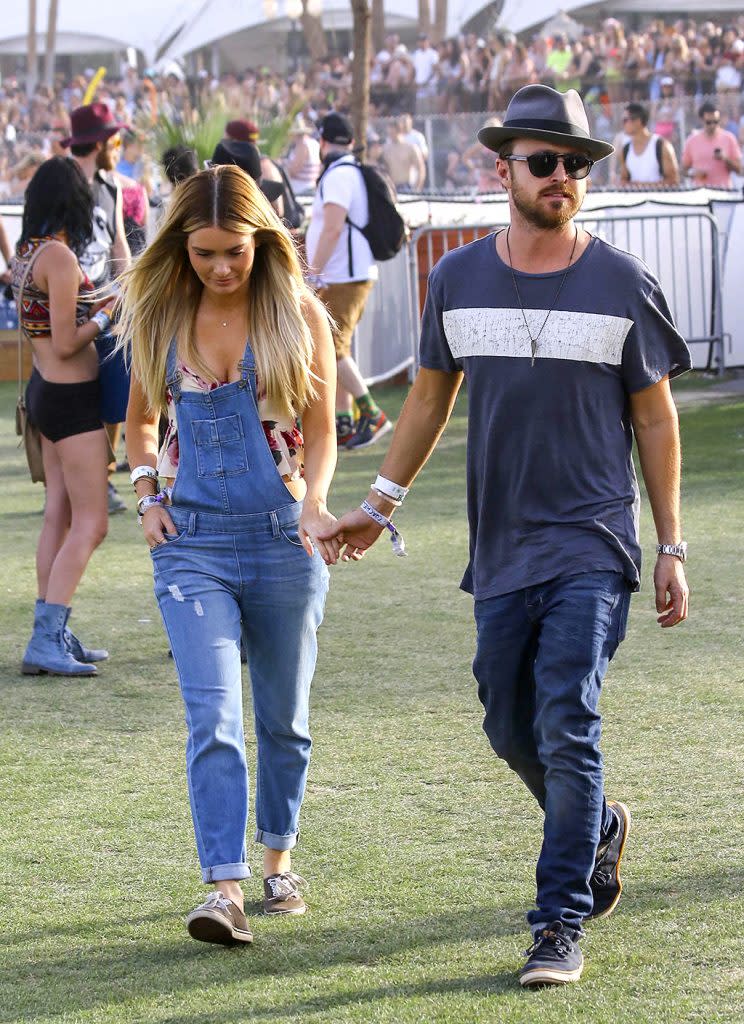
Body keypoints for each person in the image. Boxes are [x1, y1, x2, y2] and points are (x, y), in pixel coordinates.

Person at [320, 85, 691, 987]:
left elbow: (655, 417)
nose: (564, 176)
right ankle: (597, 823)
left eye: (576, 164)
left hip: (594, 540)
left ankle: (557, 923)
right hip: (502, 547)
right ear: (504, 172)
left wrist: (672, 544)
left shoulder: (622, 280)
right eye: (545, 162)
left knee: (567, 714)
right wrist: (378, 505)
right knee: (507, 719)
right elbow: (427, 402)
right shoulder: (456, 278)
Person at [118, 164, 339, 945]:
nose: (218, 267)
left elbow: (321, 432)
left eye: (234, 252)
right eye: (204, 252)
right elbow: (140, 423)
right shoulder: (158, 314)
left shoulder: (297, 314)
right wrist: (147, 495)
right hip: (192, 546)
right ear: (180, 245)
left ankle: (278, 860)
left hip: (285, 540)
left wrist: (314, 504)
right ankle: (224, 889)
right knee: (212, 717)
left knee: (284, 721)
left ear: (261, 241)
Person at [11, 157, 112, 676]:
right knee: (92, 523)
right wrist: (107, 313)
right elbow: (69, 341)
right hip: (71, 401)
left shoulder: (26, 254)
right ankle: (46, 638)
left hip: (44, 393)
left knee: (60, 514)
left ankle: (48, 632)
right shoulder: (57, 255)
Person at [305, 112, 391, 450]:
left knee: (332, 345)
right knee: (337, 345)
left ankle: (372, 414)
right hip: (345, 273)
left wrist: (314, 272)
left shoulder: (339, 175)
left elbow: (333, 226)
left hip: (343, 274)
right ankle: (344, 421)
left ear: (323, 142)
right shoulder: (346, 171)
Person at [63, 102, 132, 514]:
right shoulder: (63, 185)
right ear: (98, 143)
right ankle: (71, 483)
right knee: (73, 399)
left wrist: (128, 291)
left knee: (115, 397)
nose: (119, 148)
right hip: (68, 310)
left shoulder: (112, 186)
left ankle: (104, 478)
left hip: (109, 307)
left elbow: (118, 242)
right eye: (115, 140)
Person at [681, 101, 743, 189]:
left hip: (723, 193)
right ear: (701, 120)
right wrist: (693, 173)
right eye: (709, 122)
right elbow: (683, 170)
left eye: (716, 121)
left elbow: (740, 170)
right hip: (699, 193)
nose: (713, 125)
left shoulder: (729, 138)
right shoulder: (692, 140)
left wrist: (725, 159)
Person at [618, 103, 679, 187]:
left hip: (658, 199)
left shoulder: (661, 145)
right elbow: (624, 179)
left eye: (625, 120)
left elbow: (673, 181)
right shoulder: (626, 149)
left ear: (638, 121)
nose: (623, 124)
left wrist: (643, 186)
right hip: (635, 200)